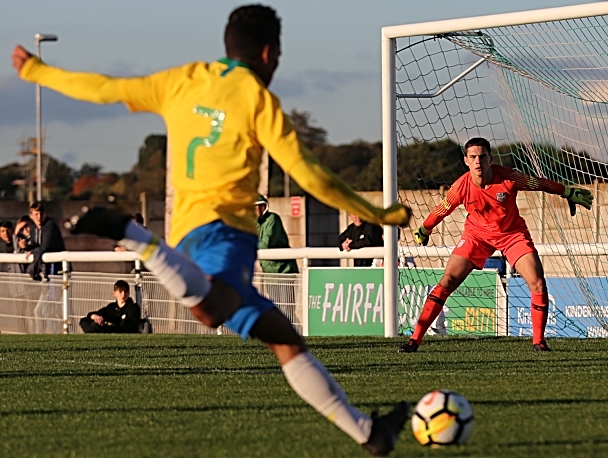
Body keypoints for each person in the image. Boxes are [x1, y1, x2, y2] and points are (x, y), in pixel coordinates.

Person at [12, 5, 411, 455]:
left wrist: (39, 71)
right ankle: (134, 235)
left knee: (286, 341)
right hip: (228, 234)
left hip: (188, 233)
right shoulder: (260, 99)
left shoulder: (183, 79)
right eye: (277, 57)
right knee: (211, 308)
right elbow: (312, 176)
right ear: (267, 53)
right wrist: (376, 212)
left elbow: (105, 89)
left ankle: (369, 434)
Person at [399, 137, 593, 353]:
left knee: (537, 283)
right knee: (447, 281)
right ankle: (414, 341)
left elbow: (538, 183)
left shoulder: (508, 178)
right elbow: (442, 209)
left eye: (482, 156)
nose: (478, 161)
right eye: (472, 157)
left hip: (512, 235)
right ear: (466, 160)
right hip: (476, 236)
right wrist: (425, 229)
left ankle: (539, 342)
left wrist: (566, 191)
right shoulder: (461, 187)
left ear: (490, 158)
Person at [255, 195, 299, 274]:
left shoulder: (273, 218)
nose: (258, 209)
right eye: (255, 206)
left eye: (261, 205)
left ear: (266, 206)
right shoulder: (253, 222)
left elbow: (266, 243)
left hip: (284, 270)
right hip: (268, 271)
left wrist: (249, 244)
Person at [25, 202, 66, 280]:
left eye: (41, 214)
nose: (39, 217)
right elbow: (34, 245)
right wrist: (25, 246)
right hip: (44, 266)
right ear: (31, 216)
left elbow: (45, 246)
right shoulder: (33, 228)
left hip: (55, 265)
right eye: (36, 214)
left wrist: (32, 251)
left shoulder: (50, 224)